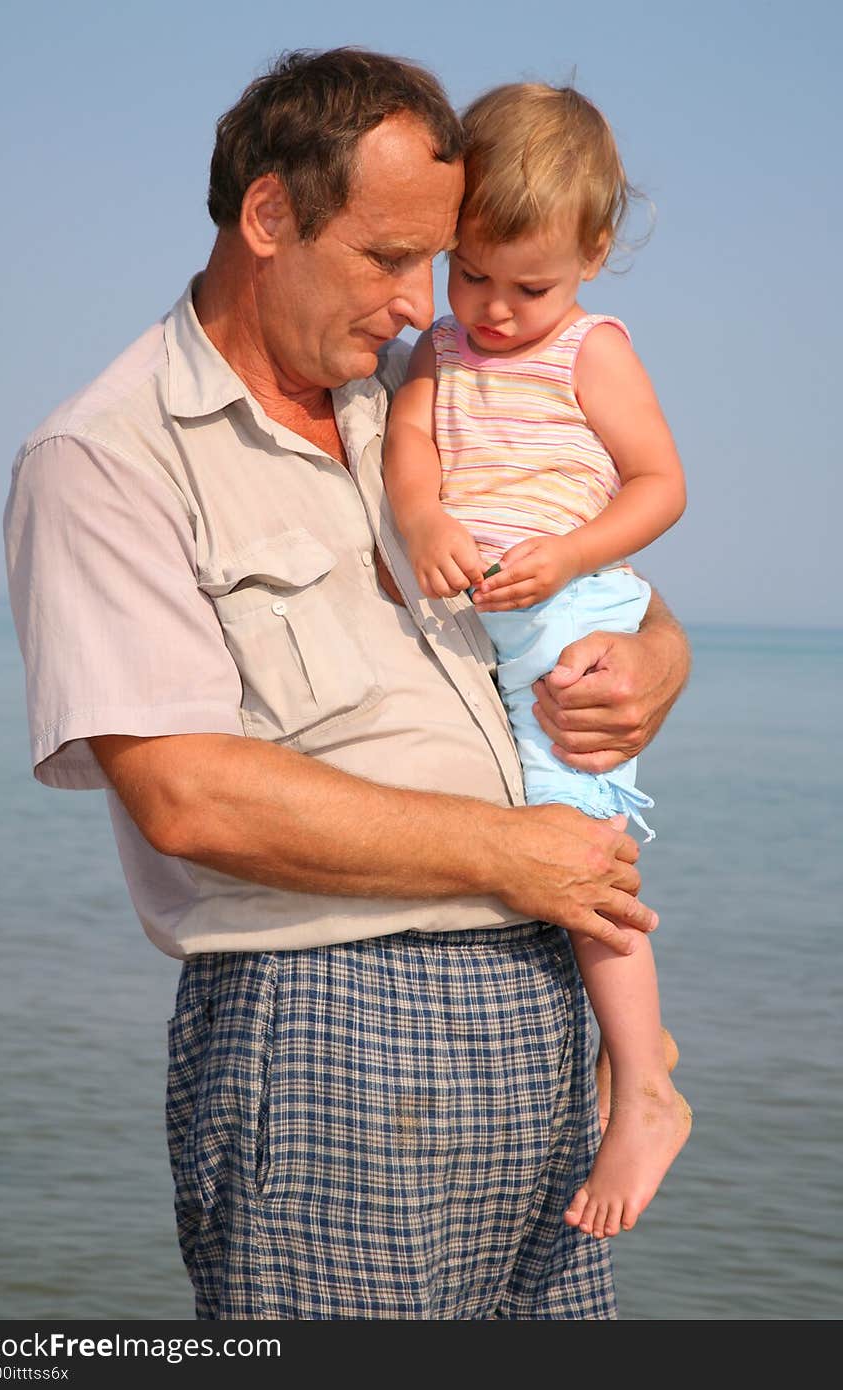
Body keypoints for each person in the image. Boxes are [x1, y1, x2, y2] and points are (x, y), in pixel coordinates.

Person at [3, 48, 690, 1320]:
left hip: (542, 1002)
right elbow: (189, 799)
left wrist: (656, 662)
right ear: (269, 217)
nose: (420, 299)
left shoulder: (414, 388)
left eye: (439, 260)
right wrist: (517, 853)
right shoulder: (103, 459)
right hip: (327, 1031)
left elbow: (616, 590)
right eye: (387, 258)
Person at [383, 81, 692, 1240]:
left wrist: (566, 555)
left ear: (593, 255)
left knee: (580, 845)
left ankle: (647, 1092)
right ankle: (640, 1046)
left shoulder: (589, 353)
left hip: (569, 617)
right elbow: (412, 457)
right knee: (532, 832)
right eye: (472, 277)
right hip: (486, 634)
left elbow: (659, 485)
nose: (497, 312)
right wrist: (420, 523)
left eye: (530, 286)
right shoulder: (434, 352)